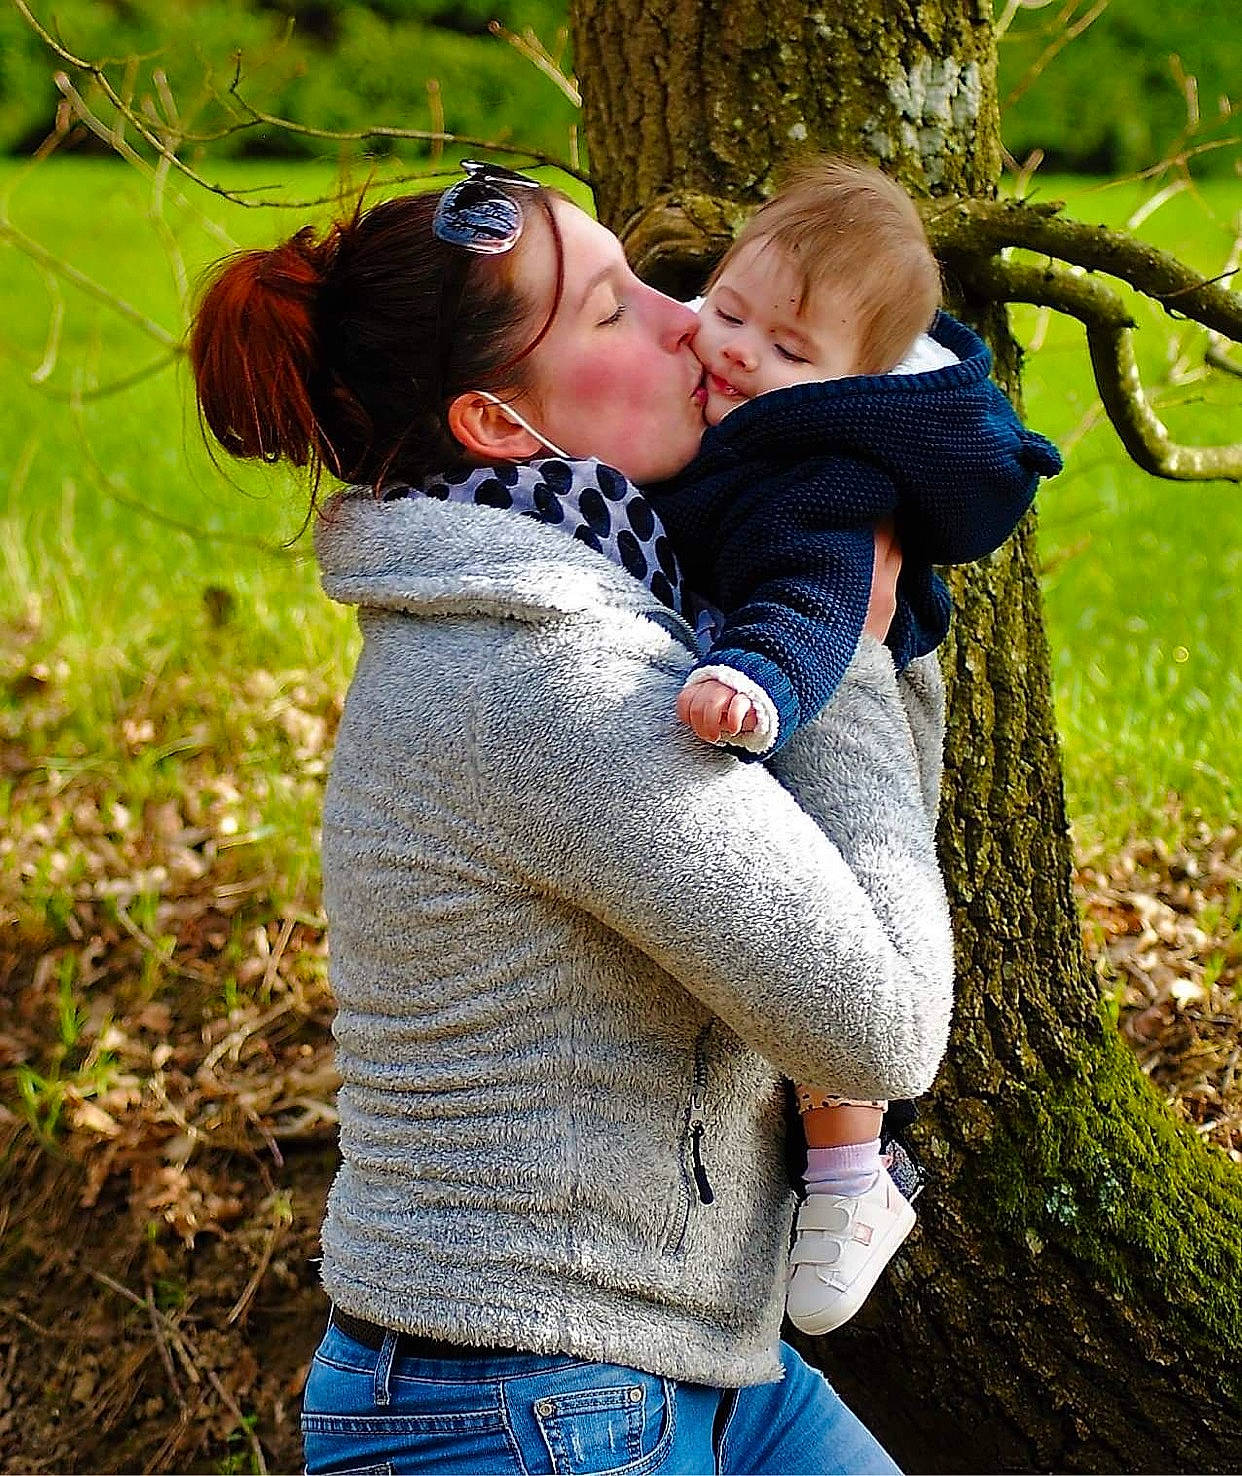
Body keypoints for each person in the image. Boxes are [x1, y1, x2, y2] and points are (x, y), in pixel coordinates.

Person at [189, 160, 956, 1475]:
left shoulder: (607, 590)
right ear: (497, 425)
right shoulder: (555, 682)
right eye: (609, 312)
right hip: (512, 1401)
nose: (684, 322)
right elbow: (878, 1023)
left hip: (682, 1366)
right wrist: (854, 656)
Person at [640, 156, 1063, 1339]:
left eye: (786, 349)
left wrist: (755, 679)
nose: (736, 353)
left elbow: (820, 601)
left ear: (856, 383)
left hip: (834, 690)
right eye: (728, 310)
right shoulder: (737, 397)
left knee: (847, 901)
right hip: (771, 663)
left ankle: (849, 1181)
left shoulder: (825, 472)